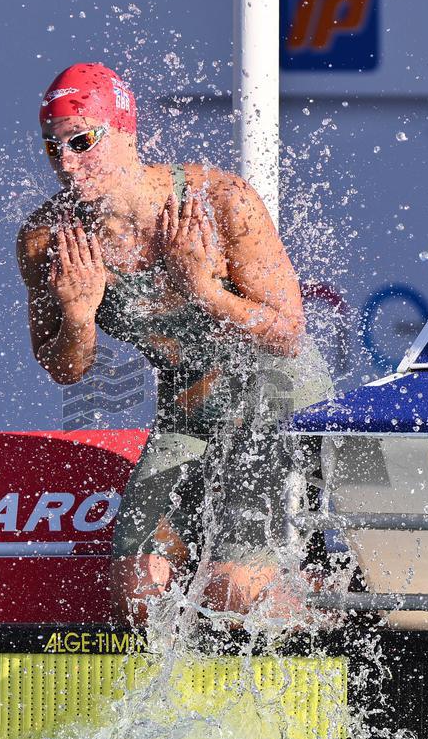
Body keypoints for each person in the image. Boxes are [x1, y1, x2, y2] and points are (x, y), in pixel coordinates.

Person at [17, 62, 332, 627]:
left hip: (277, 409)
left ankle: (343, 608)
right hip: (188, 420)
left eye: (82, 141)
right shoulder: (46, 239)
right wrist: (78, 316)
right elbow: (64, 368)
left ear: (126, 133)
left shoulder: (219, 201)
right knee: (140, 595)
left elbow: (287, 332)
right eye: (52, 147)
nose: (66, 162)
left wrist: (205, 292)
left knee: (231, 592)